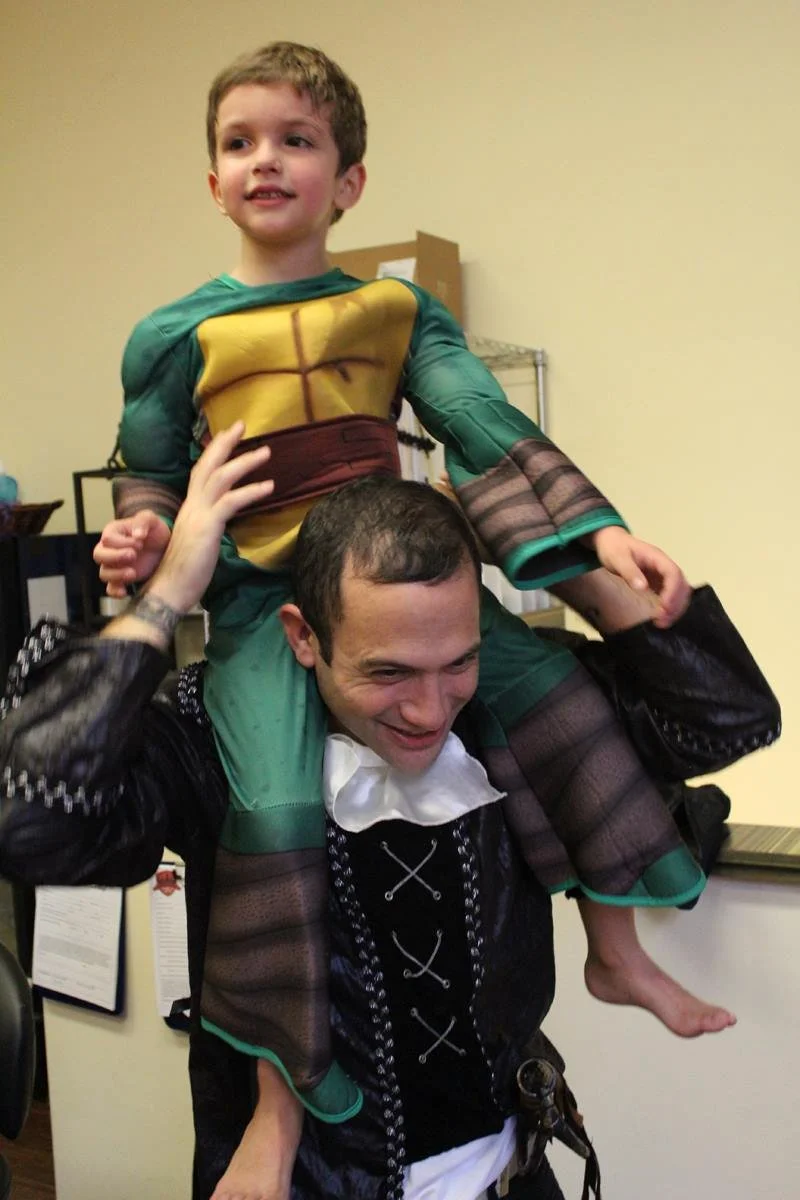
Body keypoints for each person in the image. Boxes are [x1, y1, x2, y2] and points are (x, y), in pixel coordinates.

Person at [91, 40, 728, 1194]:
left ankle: (618, 953)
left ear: (349, 180)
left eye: (296, 139)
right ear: (211, 179)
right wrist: (142, 541)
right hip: (260, 610)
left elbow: (482, 420)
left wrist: (599, 538)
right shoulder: (169, 334)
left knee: (570, 706)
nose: (264, 161)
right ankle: (277, 1112)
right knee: (273, 818)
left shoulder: (393, 309)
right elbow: (143, 474)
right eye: (238, 143)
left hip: (402, 583)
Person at [2, 429, 772, 1199]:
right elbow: (31, 824)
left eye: (459, 662)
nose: (429, 708)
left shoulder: (510, 722)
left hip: (514, 1177)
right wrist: (166, 593)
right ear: (303, 636)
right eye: (389, 672)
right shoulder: (213, 733)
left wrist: (573, 569)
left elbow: (724, 718)